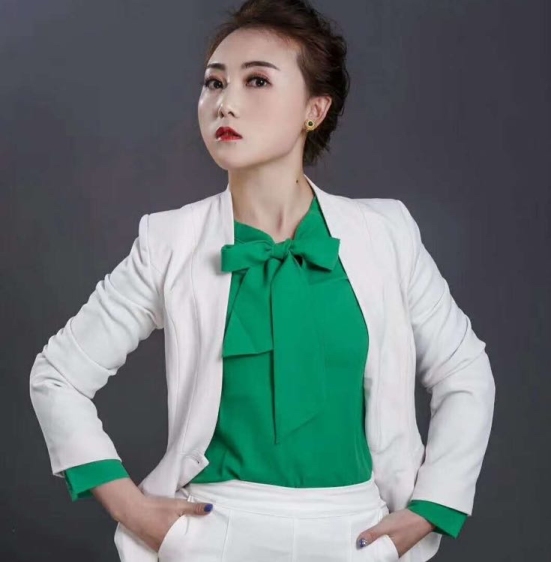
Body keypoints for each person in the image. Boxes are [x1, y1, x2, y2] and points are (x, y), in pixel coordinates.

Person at [29, 1, 496, 561]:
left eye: (256, 81)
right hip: (212, 533)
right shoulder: (169, 241)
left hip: (357, 533)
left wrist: (430, 507)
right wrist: (133, 509)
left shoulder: (386, 234)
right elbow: (58, 375)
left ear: (313, 110)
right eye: (214, 82)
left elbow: (464, 370)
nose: (225, 102)